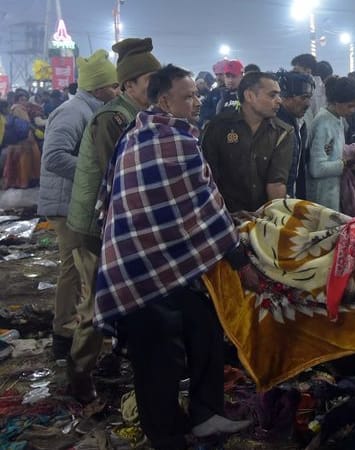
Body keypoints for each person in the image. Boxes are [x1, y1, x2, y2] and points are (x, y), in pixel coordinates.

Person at [93, 64, 251, 449]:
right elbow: (203, 204)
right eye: (189, 96)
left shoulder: (147, 133)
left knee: (205, 327)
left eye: (197, 94)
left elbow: (192, 204)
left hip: (160, 263)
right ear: (164, 100)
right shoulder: (166, 140)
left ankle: (206, 414)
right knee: (157, 356)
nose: (197, 102)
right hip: (138, 269)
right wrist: (238, 258)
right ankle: (165, 436)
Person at [66, 37, 161, 403]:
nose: (156, 84)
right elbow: (119, 179)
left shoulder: (139, 115)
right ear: (128, 85)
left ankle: (120, 359)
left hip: (122, 224)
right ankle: (78, 374)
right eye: (149, 78)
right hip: (95, 227)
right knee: (95, 304)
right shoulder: (113, 118)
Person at [37, 49, 119, 362]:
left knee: (80, 269)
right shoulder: (74, 112)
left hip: (74, 202)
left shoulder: (89, 109)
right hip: (65, 204)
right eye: (112, 86)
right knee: (74, 270)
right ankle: (64, 333)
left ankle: (73, 329)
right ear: (99, 88)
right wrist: (92, 170)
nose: (116, 92)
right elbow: (54, 157)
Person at [201, 71, 294, 212]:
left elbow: (276, 183)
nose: (279, 100)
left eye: (279, 95)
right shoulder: (218, 127)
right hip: (225, 216)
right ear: (250, 96)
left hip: (262, 216)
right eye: (272, 95)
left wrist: (275, 221)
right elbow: (208, 178)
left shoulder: (282, 132)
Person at [306, 76, 355, 211]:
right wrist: (344, 163)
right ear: (336, 102)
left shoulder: (337, 118)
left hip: (333, 188)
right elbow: (317, 169)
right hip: (323, 194)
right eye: (350, 106)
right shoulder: (323, 123)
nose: (353, 111)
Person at [276, 70, 314, 198]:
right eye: (303, 97)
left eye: (309, 98)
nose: (308, 104)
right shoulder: (277, 127)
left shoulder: (298, 123)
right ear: (285, 97)